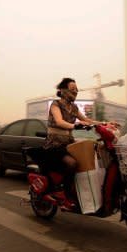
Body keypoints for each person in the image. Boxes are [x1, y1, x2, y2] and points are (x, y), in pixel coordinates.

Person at [43, 77, 100, 210]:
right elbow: (59, 122)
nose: (75, 92)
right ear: (63, 91)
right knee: (72, 163)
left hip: (68, 143)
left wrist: (105, 124)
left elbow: (86, 120)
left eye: (77, 90)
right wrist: (75, 125)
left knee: (87, 160)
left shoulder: (73, 108)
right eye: (72, 89)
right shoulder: (55, 105)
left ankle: (77, 193)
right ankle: (63, 193)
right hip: (54, 144)